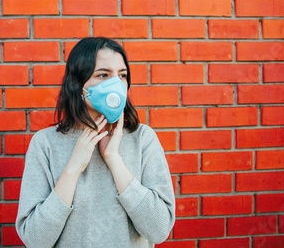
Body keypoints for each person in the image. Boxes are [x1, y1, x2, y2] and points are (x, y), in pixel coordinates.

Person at [15, 37, 175, 248]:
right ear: (77, 84)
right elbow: (35, 240)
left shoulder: (142, 139)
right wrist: (73, 168)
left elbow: (159, 230)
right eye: (103, 75)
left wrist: (114, 160)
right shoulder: (45, 144)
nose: (116, 84)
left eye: (122, 75)